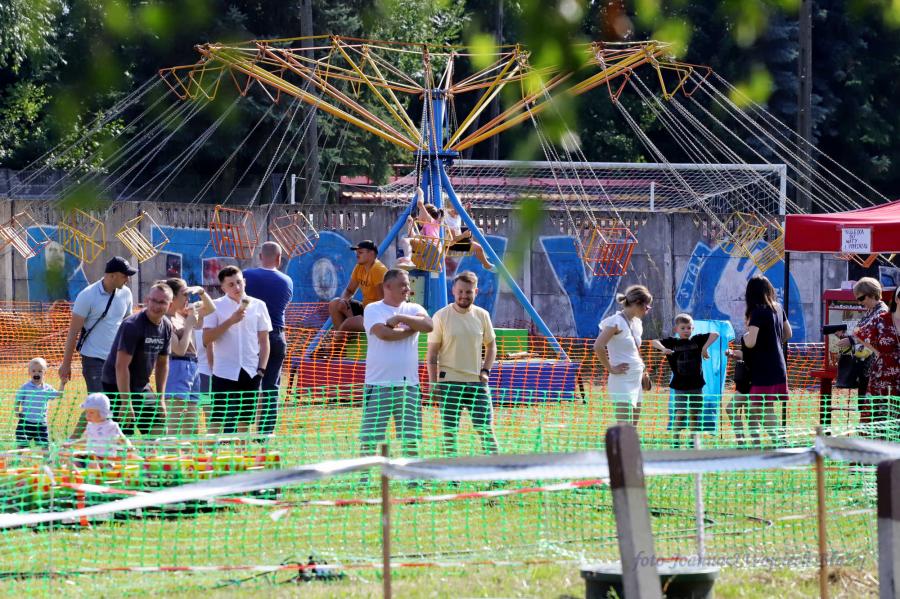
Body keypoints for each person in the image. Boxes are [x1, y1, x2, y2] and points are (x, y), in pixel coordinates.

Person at [59, 256, 136, 438]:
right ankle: (72, 444)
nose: (127, 279)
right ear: (112, 276)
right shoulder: (87, 295)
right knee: (98, 405)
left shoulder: (126, 293)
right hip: (93, 360)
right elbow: (73, 332)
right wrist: (66, 364)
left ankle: (114, 445)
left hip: (118, 361)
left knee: (115, 406)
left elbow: (127, 325)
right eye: (124, 275)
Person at [360, 269, 433, 457]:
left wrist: (400, 318)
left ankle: (411, 474)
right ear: (387, 286)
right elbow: (384, 334)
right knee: (370, 439)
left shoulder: (414, 309)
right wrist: (411, 329)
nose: (407, 288)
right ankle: (364, 473)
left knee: (410, 440)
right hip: (378, 384)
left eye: (408, 284)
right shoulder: (373, 309)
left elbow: (428, 325)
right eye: (402, 284)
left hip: (409, 385)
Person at [426, 271, 499, 456]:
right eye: (460, 291)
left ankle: (498, 468)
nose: (464, 296)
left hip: (477, 384)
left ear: (476, 292)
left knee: (486, 429)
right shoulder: (441, 316)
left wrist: (486, 371)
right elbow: (432, 354)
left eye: (468, 292)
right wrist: (433, 384)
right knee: (450, 433)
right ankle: (451, 470)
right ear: (453, 290)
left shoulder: (482, 315)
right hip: (449, 384)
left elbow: (491, 346)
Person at [203, 265, 272, 435]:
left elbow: (264, 341)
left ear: (245, 282)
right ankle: (210, 450)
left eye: (239, 282)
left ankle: (243, 450)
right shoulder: (214, 306)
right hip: (223, 371)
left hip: (250, 370)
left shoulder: (259, 305)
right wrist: (231, 321)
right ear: (223, 287)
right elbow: (206, 339)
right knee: (217, 419)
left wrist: (261, 369)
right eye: (231, 284)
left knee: (245, 421)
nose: (237, 287)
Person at [100, 282, 175, 437]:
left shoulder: (167, 326)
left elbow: (162, 364)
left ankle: (150, 453)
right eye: (154, 300)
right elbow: (121, 366)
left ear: (170, 305)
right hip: (116, 385)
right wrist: (126, 403)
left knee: (159, 429)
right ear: (147, 300)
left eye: (162, 302)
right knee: (124, 437)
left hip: (141, 385)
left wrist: (161, 399)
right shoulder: (132, 325)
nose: (156, 306)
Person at [243, 241, 294, 439]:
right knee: (271, 386)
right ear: (279, 259)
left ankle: (241, 428)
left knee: (246, 383)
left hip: (251, 334)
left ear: (260, 256)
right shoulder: (287, 281)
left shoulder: (247, 275)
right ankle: (265, 433)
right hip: (277, 335)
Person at [651, 313, 719, 447]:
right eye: (682, 328)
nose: (686, 330)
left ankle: (693, 441)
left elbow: (715, 334)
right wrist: (663, 349)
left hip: (696, 385)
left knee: (694, 414)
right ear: (676, 329)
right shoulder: (672, 342)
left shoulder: (697, 340)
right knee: (680, 413)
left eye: (689, 328)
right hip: (680, 386)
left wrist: (705, 348)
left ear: (692, 329)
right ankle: (675, 440)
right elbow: (654, 342)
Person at [741, 275, 792, 447]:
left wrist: (744, 337)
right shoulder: (778, 307)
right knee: (765, 406)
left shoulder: (758, 312)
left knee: (758, 407)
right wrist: (772, 343)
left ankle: (780, 442)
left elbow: (750, 342)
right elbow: (788, 333)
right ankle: (772, 442)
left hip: (763, 369)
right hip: (778, 365)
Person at [594, 285, 653, 426]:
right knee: (624, 426)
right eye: (647, 307)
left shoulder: (637, 323)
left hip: (636, 377)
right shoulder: (616, 321)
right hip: (622, 379)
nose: (648, 310)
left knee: (633, 426)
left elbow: (633, 350)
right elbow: (598, 346)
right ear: (637, 303)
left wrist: (643, 370)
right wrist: (610, 368)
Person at [163, 278, 216, 435]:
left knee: (192, 426)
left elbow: (211, 309)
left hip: (193, 368)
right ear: (172, 297)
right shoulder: (165, 319)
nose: (188, 298)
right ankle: (169, 451)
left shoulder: (182, 315)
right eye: (184, 294)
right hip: (177, 367)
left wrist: (201, 292)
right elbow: (179, 350)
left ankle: (189, 451)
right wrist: (189, 326)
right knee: (174, 422)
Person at [837, 277, 889, 431]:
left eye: (861, 298)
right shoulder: (871, 311)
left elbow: (868, 334)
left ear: (872, 294)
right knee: (866, 409)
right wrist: (845, 336)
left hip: (878, 369)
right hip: (867, 368)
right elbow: (860, 333)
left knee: (877, 413)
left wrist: (850, 340)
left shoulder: (882, 312)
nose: (860, 303)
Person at [853, 294, 900, 435]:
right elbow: (860, 334)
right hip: (882, 373)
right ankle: (875, 446)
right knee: (878, 413)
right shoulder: (882, 318)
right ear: (897, 299)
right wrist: (877, 351)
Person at [328, 240, 388, 332]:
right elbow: (349, 291)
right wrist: (344, 301)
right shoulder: (359, 267)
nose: (357, 255)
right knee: (335, 303)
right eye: (357, 252)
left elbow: (382, 302)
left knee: (349, 323)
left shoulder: (378, 269)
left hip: (377, 314)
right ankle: (343, 337)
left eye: (360, 252)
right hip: (366, 309)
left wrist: (352, 316)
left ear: (371, 254)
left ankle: (342, 336)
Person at [14, 357, 66, 447]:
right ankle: (17, 456)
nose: (36, 373)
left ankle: (46, 456)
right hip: (26, 422)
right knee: (21, 445)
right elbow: (18, 400)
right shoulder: (25, 387)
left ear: (44, 372)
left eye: (40, 371)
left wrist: (62, 383)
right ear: (29, 372)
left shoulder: (47, 388)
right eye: (33, 371)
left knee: (45, 446)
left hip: (41, 423)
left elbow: (59, 395)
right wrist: (17, 411)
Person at [66, 393, 136, 459]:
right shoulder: (90, 426)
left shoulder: (111, 426)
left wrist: (129, 446)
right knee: (72, 457)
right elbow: (86, 440)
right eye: (86, 412)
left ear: (103, 413)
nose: (88, 415)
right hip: (91, 456)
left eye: (91, 412)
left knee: (90, 461)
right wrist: (72, 444)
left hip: (106, 458)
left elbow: (122, 438)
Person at [443, 201, 495, 271]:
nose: (459, 209)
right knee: (478, 248)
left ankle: (480, 252)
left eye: (459, 206)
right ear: (449, 208)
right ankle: (487, 265)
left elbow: (461, 210)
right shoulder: (448, 221)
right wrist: (464, 235)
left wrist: (466, 207)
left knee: (479, 231)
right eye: (456, 208)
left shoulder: (456, 212)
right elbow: (453, 239)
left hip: (458, 234)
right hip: (451, 243)